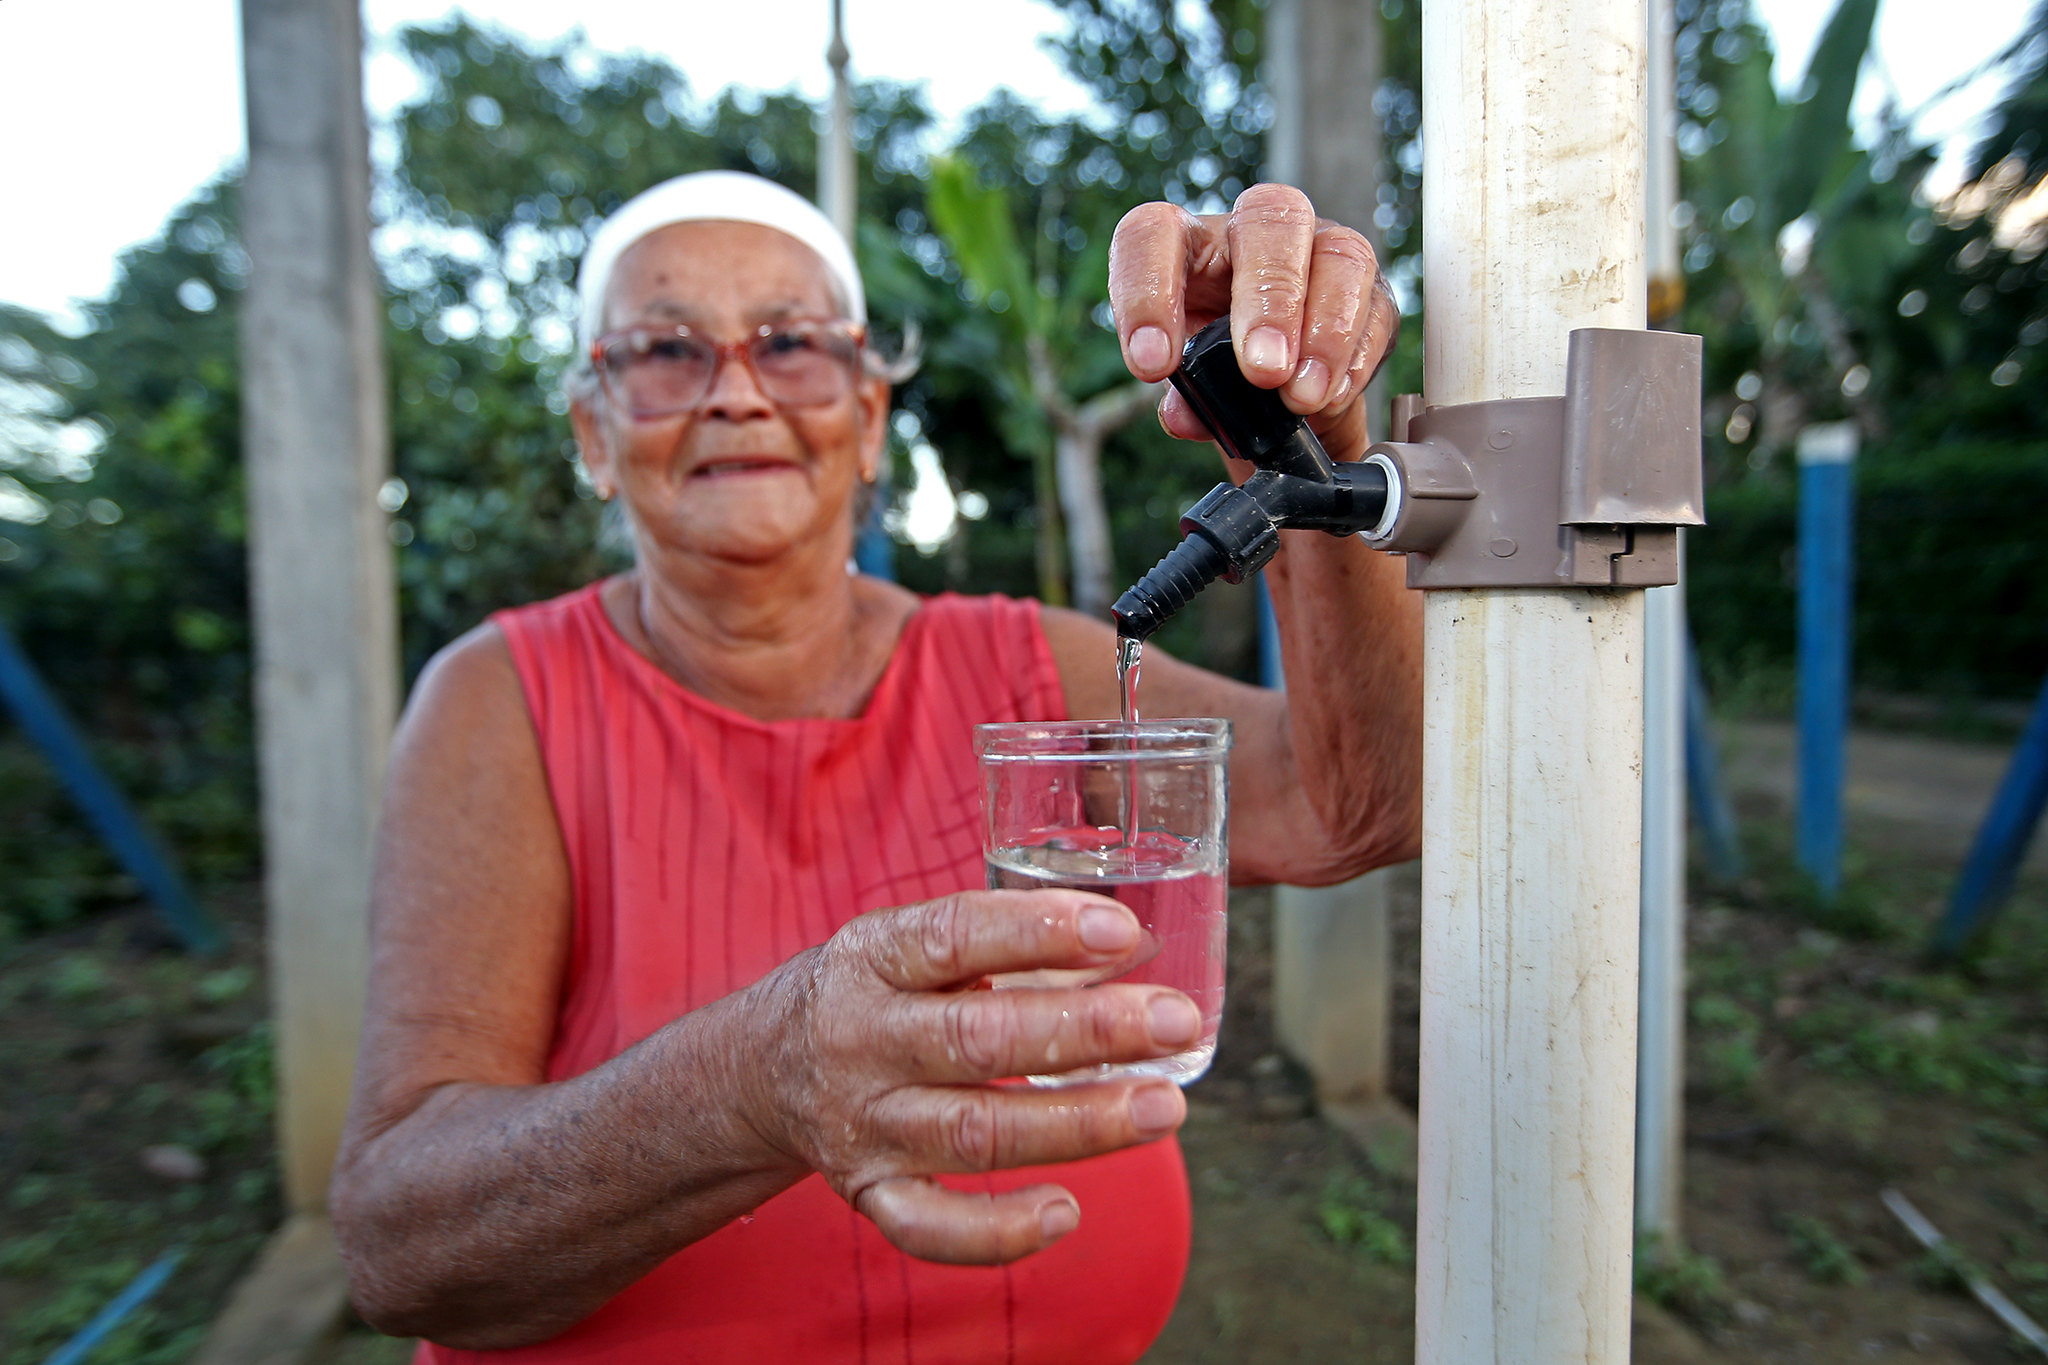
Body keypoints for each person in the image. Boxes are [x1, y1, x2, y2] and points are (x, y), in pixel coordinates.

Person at [330, 168, 1419, 1363]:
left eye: (790, 344)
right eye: (663, 351)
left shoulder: (1022, 666)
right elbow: (400, 1249)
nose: (736, 393)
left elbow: (1350, 807)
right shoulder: (501, 702)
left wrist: (1299, 440)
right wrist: (754, 1079)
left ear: (862, 423)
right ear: (594, 433)